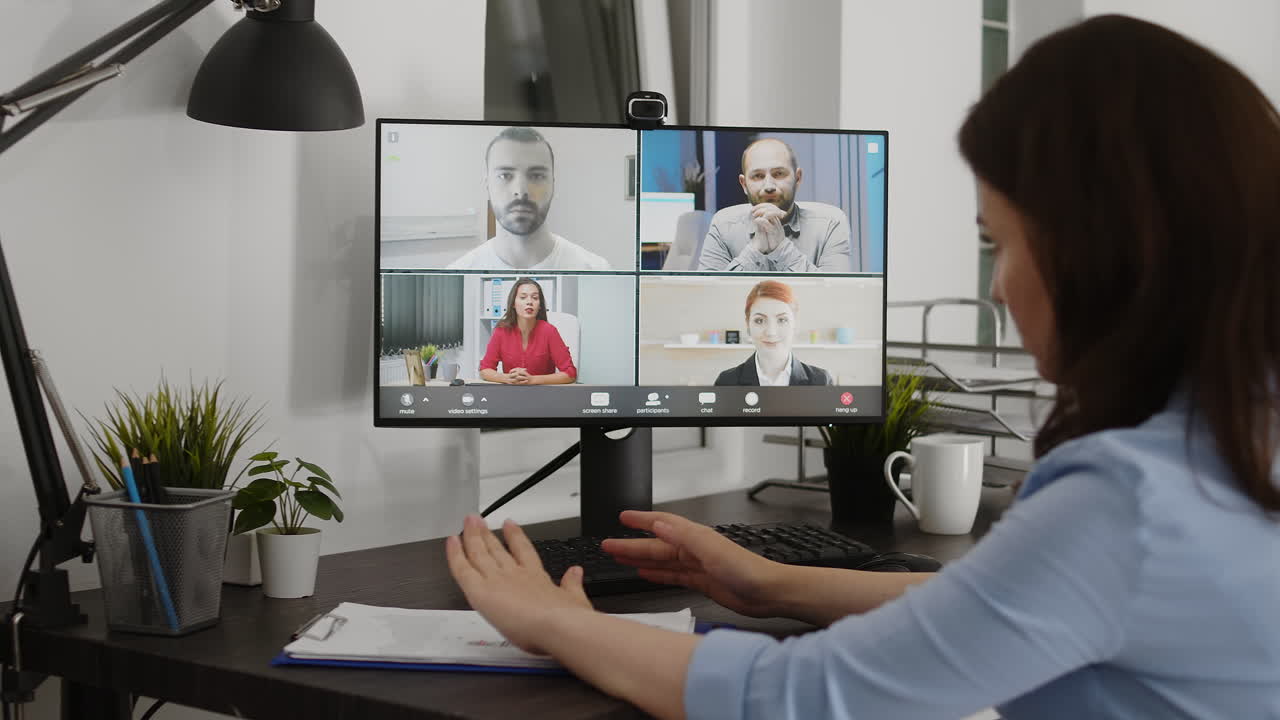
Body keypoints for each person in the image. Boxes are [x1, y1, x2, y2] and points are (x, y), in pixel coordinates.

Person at [445, 15, 1280, 719]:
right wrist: (772, 582)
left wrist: (552, 621)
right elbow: (1000, 610)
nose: (997, 281)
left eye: (1004, 242)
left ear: (1103, 252)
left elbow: (799, 698)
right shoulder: (1240, 439)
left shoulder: (1124, 501)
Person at [450, 127, 611, 271]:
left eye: (536, 176)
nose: (521, 191)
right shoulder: (458, 273)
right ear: (487, 185)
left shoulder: (596, 270)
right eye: (505, 175)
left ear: (553, 184)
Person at [695, 137, 853, 272]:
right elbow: (710, 294)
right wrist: (754, 252)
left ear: (797, 178)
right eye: (758, 176)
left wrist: (782, 249)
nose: (769, 185)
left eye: (779, 174)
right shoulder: (723, 225)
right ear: (744, 184)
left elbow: (835, 294)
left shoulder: (830, 223)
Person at [714, 280, 832, 386]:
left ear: (795, 324)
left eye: (782, 320)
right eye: (759, 320)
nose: (771, 332)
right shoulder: (726, 382)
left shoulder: (821, 381)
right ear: (748, 324)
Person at [478, 278, 576, 385]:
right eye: (523, 297)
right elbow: (485, 369)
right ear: (513, 304)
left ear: (540, 306)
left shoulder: (549, 331)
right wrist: (506, 378)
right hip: (511, 394)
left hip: (543, 396)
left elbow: (570, 373)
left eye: (535, 298)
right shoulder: (501, 331)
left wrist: (532, 380)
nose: (529, 302)